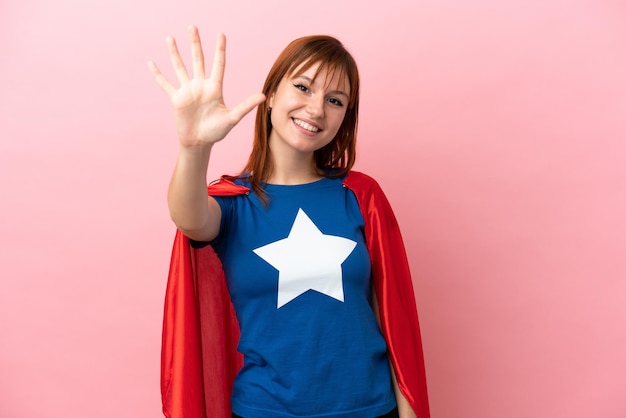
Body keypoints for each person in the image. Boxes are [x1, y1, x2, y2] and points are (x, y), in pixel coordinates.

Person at [148, 25, 430, 418]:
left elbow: (391, 314)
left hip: (369, 408)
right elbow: (189, 219)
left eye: (335, 100)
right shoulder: (231, 204)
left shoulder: (360, 196)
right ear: (271, 93)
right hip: (264, 409)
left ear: (345, 117)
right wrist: (194, 147)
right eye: (303, 87)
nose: (316, 109)